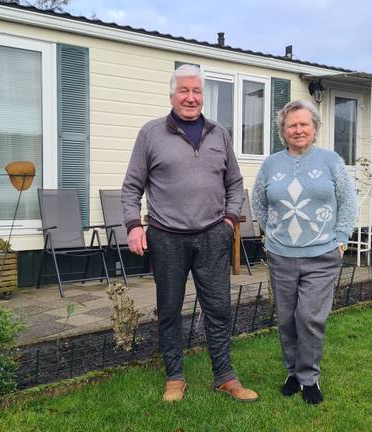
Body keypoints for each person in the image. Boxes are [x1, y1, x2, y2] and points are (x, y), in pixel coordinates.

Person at [121, 64, 258, 403]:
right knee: (169, 308)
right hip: (167, 236)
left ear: (202, 95)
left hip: (213, 234)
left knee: (219, 308)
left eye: (197, 91)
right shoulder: (151, 134)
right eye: (184, 90)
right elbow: (131, 187)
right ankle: (174, 377)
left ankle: (225, 376)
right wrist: (134, 226)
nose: (191, 97)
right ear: (172, 95)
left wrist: (229, 221)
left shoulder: (218, 134)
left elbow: (235, 182)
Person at [252, 99, 357, 404]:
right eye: (291, 125)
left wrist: (340, 240)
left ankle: (309, 377)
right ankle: (292, 374)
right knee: (286, 318)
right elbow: (259, 201)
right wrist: (271, 234)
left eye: (303, 124)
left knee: (309, 317)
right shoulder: (271, 164)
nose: (298, 130)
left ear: (314, 128)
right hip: (281, 254)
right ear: (283, 131)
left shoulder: (331, 161)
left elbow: (347, 202)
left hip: (323, 254)